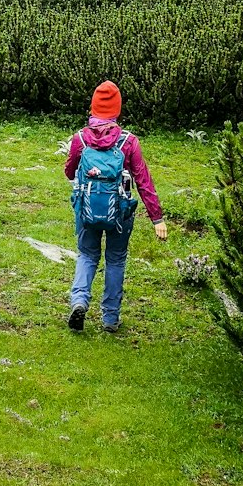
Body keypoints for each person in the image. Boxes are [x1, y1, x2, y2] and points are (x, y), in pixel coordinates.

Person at [63, 79, 166, 333]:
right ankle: (110, 318)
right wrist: (157, 218)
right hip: (120, 211)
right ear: (117, 110)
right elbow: (144, 181)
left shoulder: (80, 139)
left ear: (93, 108)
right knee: (116, 259)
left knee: (87, 255)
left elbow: (69, 172)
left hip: (87, 208)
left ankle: (79, 301)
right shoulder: (129, 142)